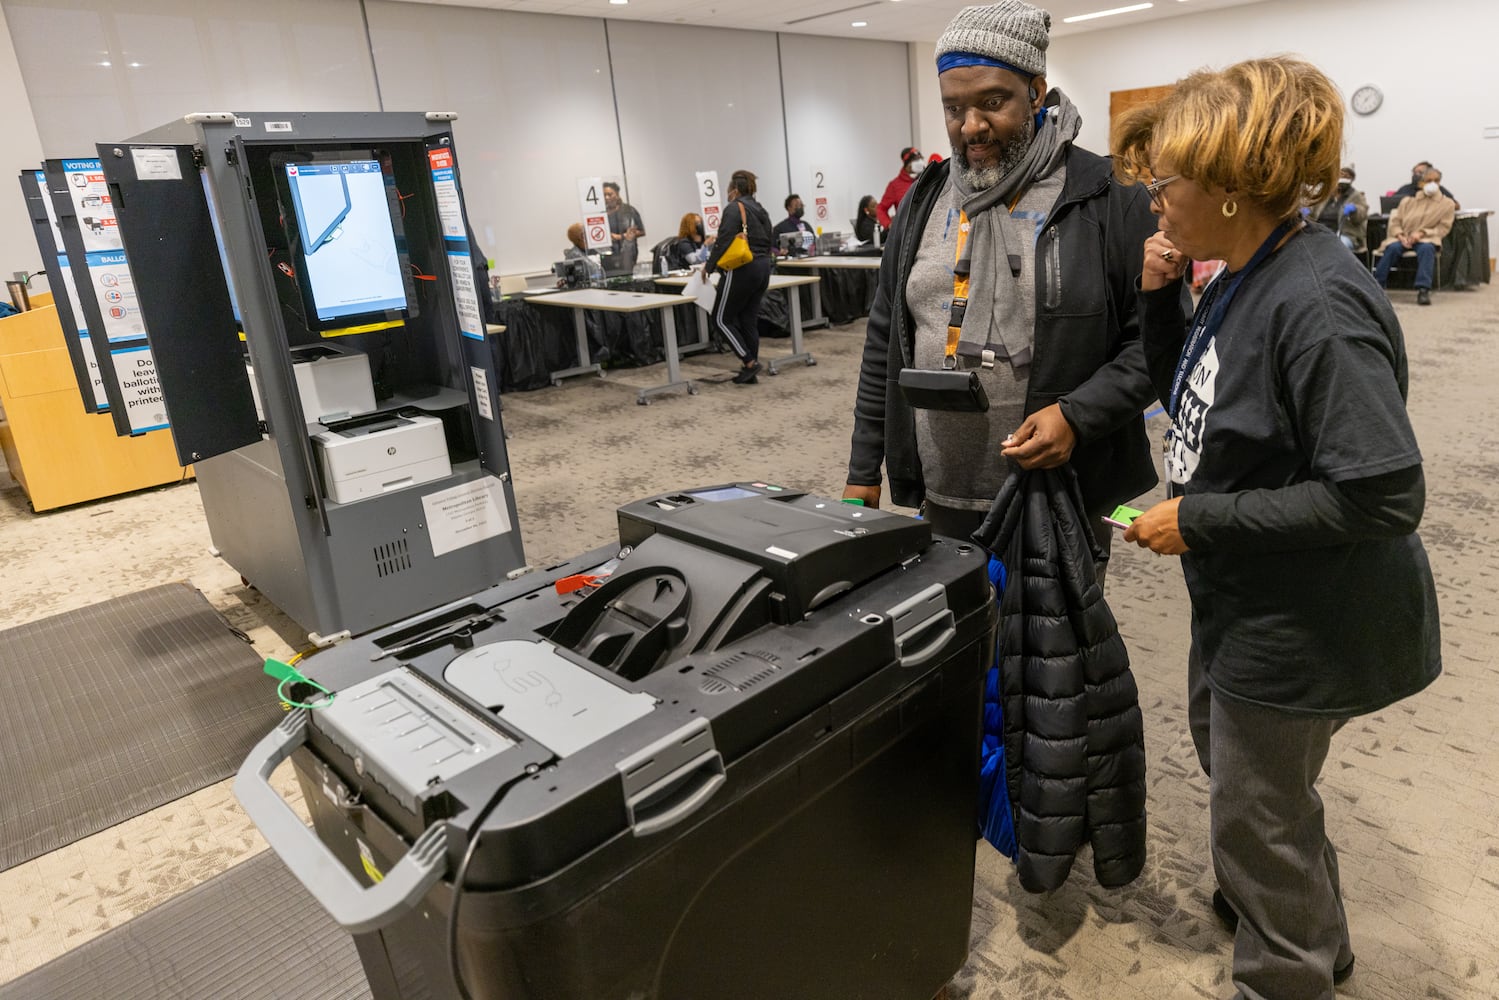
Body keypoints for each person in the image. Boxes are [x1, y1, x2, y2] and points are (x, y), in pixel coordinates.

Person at [1114, 55, 1441, 1000]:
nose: (1155, 201)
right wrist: (1156, 296)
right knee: (1254, 794)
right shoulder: (1240, 270)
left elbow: (1383, 495)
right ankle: (1304, 927)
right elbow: (1194, 394)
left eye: (1165, 183)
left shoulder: (1317, 302)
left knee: (1256, 815)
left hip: (1304, 619)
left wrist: (1203, 519)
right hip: (1244, 592)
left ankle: (1286, 971)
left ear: (1224, 187)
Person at [844, 0, 1175, 547]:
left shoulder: (1108, 196)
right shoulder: (926, 198)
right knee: (960, 627)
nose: (971, 126)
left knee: (1057, 634)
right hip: (941, 485)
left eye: (992, 102)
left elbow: (1156, 343)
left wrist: (1076, 416)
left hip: (1063, 489)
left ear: (1037, 91)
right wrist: (863, 469)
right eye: (954, 109)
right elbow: (885, 338)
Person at [703, 169, 774, 385]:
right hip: (763, 267)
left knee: (720, 318)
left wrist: (709, 266)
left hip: (743, 266)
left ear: (734, 190)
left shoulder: (735, 208)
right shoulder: (760, 209)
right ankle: (748, 368)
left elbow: (723, 241)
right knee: (747, 319)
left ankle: (750, 362)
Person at [1373, 167, 1455, 305]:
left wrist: (1422, 233)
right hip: (1403, 237)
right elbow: (1395, 221)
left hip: (1427, 238)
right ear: (1421, 183)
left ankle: (1423, 290)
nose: (1432, 183)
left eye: (1436, 180)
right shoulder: (1408, 201)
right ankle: (1376, 286)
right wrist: (1400, 235)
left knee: (1427, 249)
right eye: (1428, 180)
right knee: (1392, 248)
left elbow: (1443, 228)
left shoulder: (1447, 204)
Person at [1306, 165, 1368, 254]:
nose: (1343, 179)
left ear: (1351, 180)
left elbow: (1361, 215)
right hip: (1320, 232)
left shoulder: (1357, 196)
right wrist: (1305, 210)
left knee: (1337, 246)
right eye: (1341, 175)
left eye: (1347, 177)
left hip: (1346, 235)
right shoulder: (1325, 194)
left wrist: (1355, 210)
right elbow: (1312, 209)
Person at [602, 181, 645, 274]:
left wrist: (620, 236)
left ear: (617, 194)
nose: (606, 198)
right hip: (608, 254)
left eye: (610, 194)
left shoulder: (628, 210)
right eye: (604, 195)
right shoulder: (601, 213)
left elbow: (641, 231)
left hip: (627, 253)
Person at [876, 146, 924, 228]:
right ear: (907, 163)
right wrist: (889, 225)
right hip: (906, 232)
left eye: (920, 159)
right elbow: (880, 209)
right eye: (916, 159)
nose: (920, 162)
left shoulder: (926, 179)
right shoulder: (894, 185)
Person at [1391, 160, 1458, 207]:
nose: (1416, 175)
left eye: (1420, 172)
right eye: (1414, 172)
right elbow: (1390, 204)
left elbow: (1455, 205)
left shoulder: (1437, 189)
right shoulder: (1405, 188)